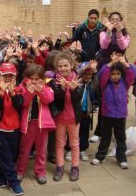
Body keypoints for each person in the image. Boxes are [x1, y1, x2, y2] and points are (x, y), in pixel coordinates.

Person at [91, 11, 130, 143]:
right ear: (108, 21)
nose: (114, 21)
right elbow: (104, 45)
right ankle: (100, 132)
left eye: (117, 19)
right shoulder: (102, 33)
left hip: (120, 65)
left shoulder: (126, 35)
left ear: (121, 21)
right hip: (106, 65)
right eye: (112, 19)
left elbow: (122, 46)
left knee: (120, 96)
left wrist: (118, 32)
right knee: (104, 97)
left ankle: (118, 132)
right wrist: (109, 31)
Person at [91, 53, 136, 169]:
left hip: (120, 116)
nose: (115, 76)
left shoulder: (125, 84)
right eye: (113, 74)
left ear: (121, 75)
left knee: (121, 138)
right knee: (105, 137)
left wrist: (125, 63)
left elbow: (133, 73)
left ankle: (121, 158)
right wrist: (111, 63)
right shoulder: (105, 84)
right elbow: (102, 74)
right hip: (107, 115)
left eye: (118, 74)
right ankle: (100, 156)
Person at [17, 64, 55, 185]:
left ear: (42, 78)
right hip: (28, 124)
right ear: (26, 78)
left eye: (37, 78)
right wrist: (30, 92)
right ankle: (20, 170)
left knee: (41, 150)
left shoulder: (46, 87)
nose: (34, 81)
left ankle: (40, 171)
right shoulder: (22, 88)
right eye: (31, 78)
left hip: (42, 125)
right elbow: (23, 103)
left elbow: (48, 100)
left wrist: (40, 91)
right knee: (24, 150)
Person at [49, 51, 83, 182]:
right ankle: (60, 166)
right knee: (59, 144)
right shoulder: (54, 80)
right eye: (60, 66)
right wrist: (62, 89)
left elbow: (78, 99)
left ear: (72, 65)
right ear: (57, 67)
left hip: (74, 118)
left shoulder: (77, 78)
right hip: (60, 119)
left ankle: (75, 167)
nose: (63, 68)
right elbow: (55, 99)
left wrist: (74, 90)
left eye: (66, 65)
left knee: (74, 144)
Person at [0, 62, 24, 195]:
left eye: (11, 75)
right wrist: (1, 92)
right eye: (5, 75)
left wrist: (12, 92)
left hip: (15, 129)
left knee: (12, 156)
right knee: (6, 157)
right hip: (0, 129)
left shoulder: (19, 89)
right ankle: (14, 183)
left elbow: (20, 106)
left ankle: (2, 176)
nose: (8, 78)